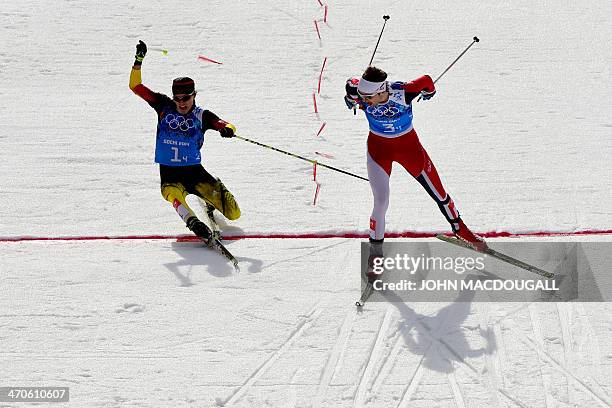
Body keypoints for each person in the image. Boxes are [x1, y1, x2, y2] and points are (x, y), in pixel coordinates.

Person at [345, 66, 486, 252]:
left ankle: (460, 229)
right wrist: (348, 98)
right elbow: (350, 86)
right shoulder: (361, 93)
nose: (364, 102)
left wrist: (430, 91)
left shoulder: (403, 92)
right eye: (361, 97)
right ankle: (375, 254)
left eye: (368, 98)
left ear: (381, 91)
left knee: (439, 194)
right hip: (378, 152)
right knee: (381, 202)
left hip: (409, 149)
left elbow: (427, 80)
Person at [129, 40, 241, 244]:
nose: (181, 102)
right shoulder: (163, 106)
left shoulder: (201, 115)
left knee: (234, 214)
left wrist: (226, 129)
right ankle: (193, 222)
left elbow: (225, 123)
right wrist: (138, 61)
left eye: (186, 98)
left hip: (195, 173)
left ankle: (212, 195)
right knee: (172, 194)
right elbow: (135, 86)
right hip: (169, 173)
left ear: (194, 95)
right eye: (177, 98)